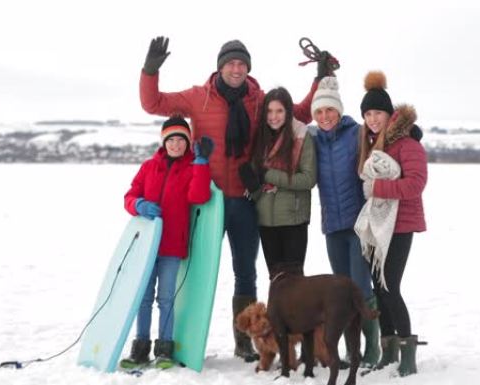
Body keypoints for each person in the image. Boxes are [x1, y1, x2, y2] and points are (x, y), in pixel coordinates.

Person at [138, 36, 333, 362]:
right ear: (220, 66)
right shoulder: (198, 97)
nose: (236, 68)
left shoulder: (258, 100)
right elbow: (153, 103)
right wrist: (149, 71)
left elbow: (298, 112)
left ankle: (245, 341)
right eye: (231, 63)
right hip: (206, 203)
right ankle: (184, 337)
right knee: (195, 270)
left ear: (248, 68)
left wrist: (321, 79)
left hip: (245, 200)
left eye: (242, 64)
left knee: (245, 272)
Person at [120, 116, 214, 369]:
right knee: (143, 297)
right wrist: (138, 205)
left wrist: (202, 163)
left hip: (172, 246)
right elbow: (129, 196)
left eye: (180, 140)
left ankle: (164, 348)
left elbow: (199, 196)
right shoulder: (149, 167)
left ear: (187, 143)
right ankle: (140, 348)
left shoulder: (191, 167)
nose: (175, 144)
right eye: (170, 140)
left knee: (166, 298)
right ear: (164, 142)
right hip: (146, 246)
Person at [356, 71, 427, 377]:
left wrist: (378, 189)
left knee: (391, 286)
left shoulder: (407, 143)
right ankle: (389, 349)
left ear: (389, 114)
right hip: (379, 224)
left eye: (378, 113)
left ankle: (408, 352)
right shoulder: (375, 143)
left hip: (401, 224)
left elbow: (415, 184)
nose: (372, 119)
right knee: (379, 287)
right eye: (368, 114)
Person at [308, 76, 381, 368]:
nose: (325, 117)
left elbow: (384, 133)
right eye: (319, 112)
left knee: (360, 288)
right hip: (332, 228)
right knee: (341, 293)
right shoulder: (313, 140)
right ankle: (354, 350)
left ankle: (372, 347)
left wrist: (409, 130)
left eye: (330, 110)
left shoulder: (357, 133)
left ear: (339, 111)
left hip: (358, 226)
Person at [238, 87, 316, 276]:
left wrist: (268, 174)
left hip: (293, 219)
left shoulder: (301, 136)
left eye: (279, 111)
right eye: (269, 111)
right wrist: (252, 184)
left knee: (295, 285)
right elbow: (259, 182)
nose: (274, 116)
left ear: (288, 111)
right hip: (266, 221)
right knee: (276, 281)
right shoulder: (261, 139)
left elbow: (308, 179)